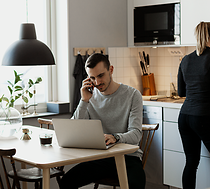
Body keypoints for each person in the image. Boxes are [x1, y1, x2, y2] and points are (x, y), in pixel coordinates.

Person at [59, 53, 146, 189]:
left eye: (100, 76)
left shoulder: (133, 95)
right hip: (101, 158)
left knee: (136, 184)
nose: (97, 82)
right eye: (92, 78)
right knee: (66, 182)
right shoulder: (89, 96)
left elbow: (136, 135)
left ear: (111, 70)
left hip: (128, 158)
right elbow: (74, 129)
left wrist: (115, 138)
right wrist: (84, 101)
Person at [177, 21, 210, 188]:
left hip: (184, 117)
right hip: (202, 118)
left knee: (191, 162)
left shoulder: (185, 60)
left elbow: (181, 93)